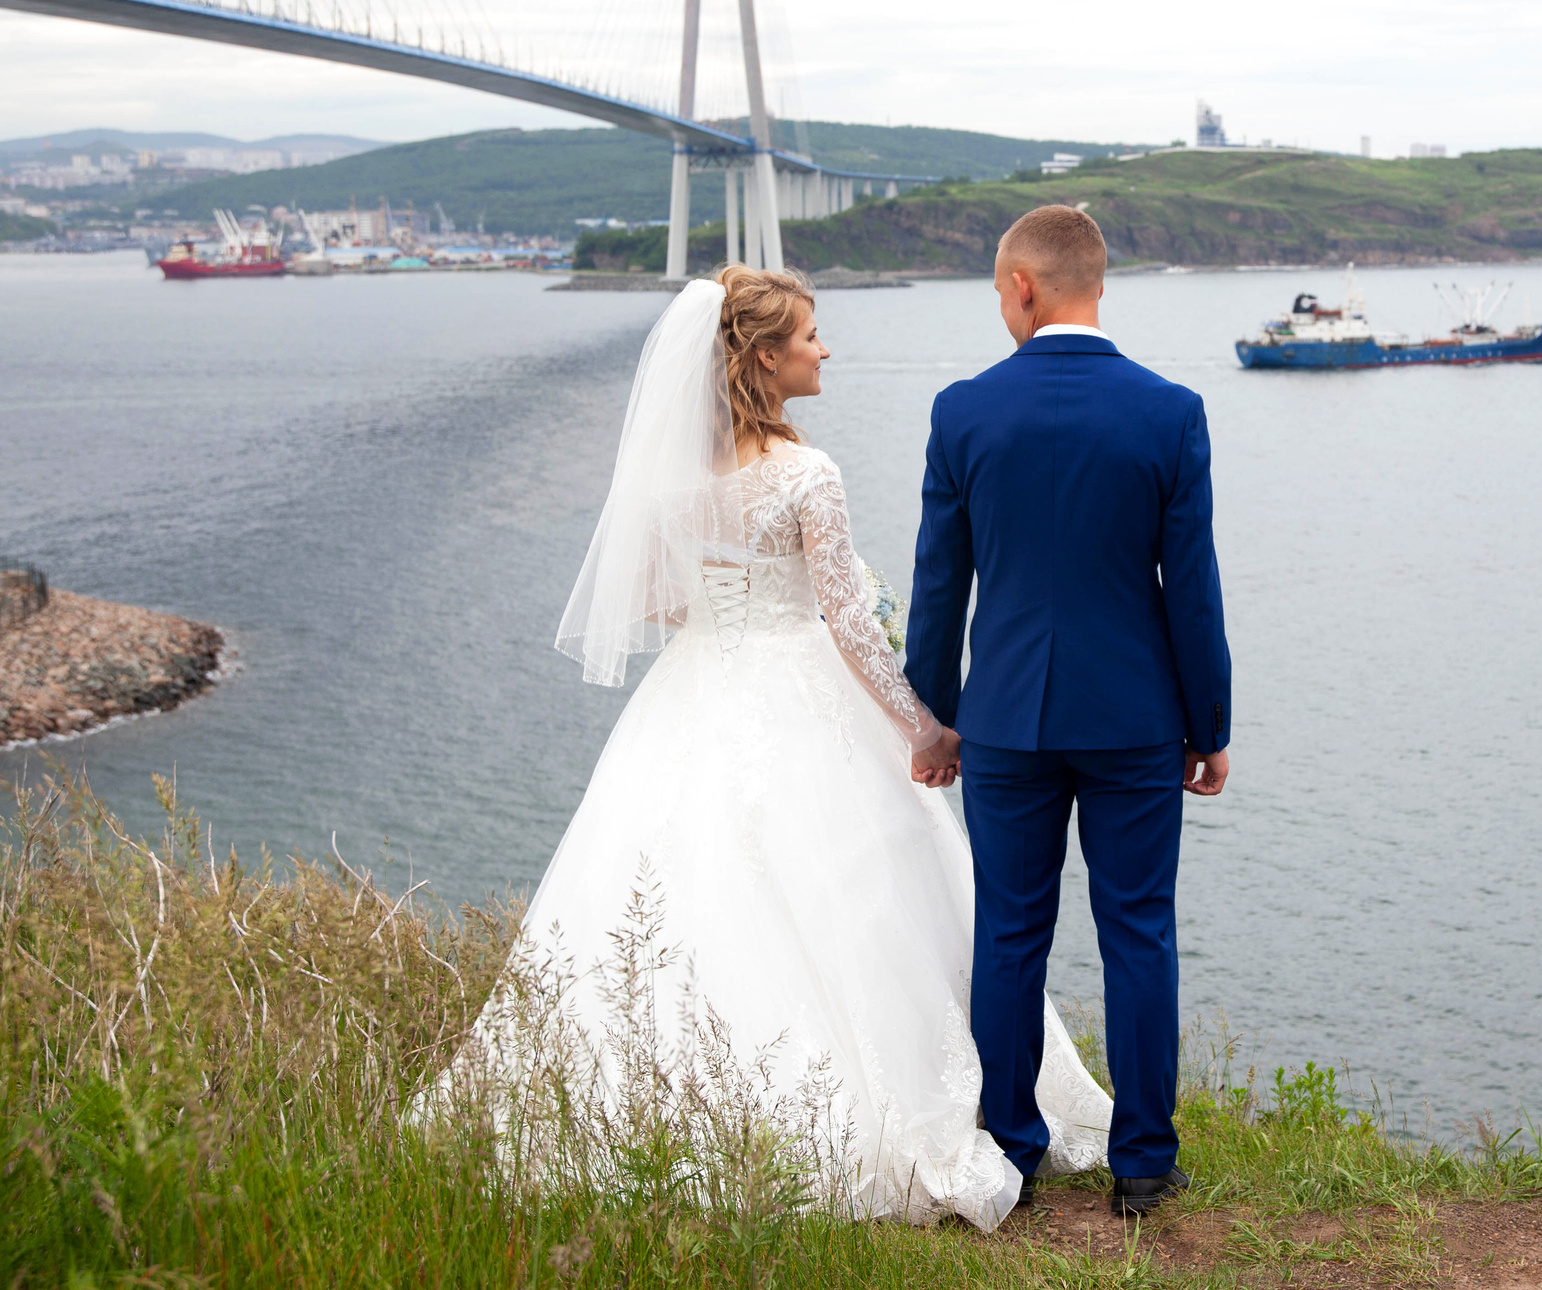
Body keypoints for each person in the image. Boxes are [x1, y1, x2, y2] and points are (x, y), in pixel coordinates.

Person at [466, 264, 1112, 1232]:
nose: (823, 348)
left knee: (683, 891)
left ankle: (656, 1107)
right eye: (809, 335)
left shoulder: (673, 477)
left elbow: (653, 604)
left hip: (694, 686)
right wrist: (928, 728)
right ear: (765, 357)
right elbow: (850, 624)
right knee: (863, 889)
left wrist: (733, 600)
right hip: (799, 685)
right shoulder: (806, 472)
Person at [906, 204, 1233, 1218]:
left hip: (1003, 718)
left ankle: (1010, 1147)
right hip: (1135, 718)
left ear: (1021, 286)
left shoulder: (964, 412)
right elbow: (1193, 585)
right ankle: (1142, 1160)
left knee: (1008, 932)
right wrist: (1209, 726)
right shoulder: (1168, 412)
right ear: (1098, 283)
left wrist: (936, 716)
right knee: (1140, 930)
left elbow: (936, 589)